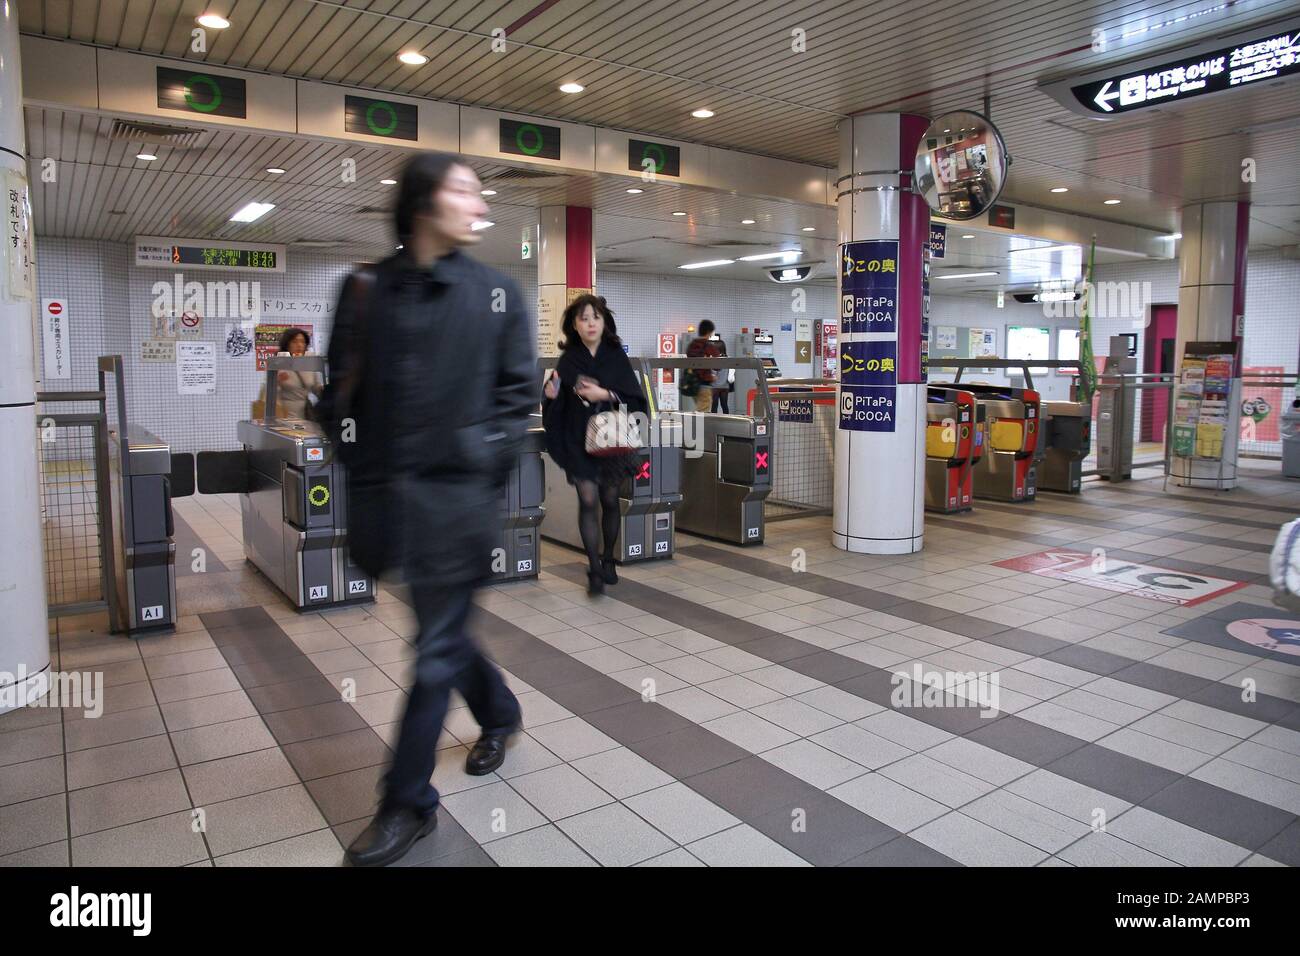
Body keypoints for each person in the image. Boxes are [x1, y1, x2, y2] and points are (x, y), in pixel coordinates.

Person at [317, 152, 535, 867]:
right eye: (463, 189)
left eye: (480, 191)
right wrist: (365, 470)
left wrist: (478, 462)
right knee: (442, 636)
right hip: (389, 506)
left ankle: (406, 802)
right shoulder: (364, 289)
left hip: (458, 504)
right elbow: (337, 400)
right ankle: (500, 712)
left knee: (435, 649)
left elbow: (515, 398)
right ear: (422, 202)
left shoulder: (498, 295)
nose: (478, 202)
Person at [542, 294, 648, 595]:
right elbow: (555, 399)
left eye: (595, 317)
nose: (590, 323)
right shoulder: (569, 359)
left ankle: (608, 557)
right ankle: (594, 568)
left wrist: (606, 395)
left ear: (604, 322)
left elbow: (635, 397)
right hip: (578, 439)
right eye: (584, 318)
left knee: (610, 500)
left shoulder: (615, 356)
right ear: (574, 325)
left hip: (611, 440)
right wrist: (550, 396)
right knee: (587, 499)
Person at [270, 327, 322, 420]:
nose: (299, 345)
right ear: (287, 344)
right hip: (286, 415)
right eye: (294, 342)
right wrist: (277, 382)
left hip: (306, 414)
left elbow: (315, 387)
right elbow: (270, 392)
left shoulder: (309, 361)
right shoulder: (278, 363)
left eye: (302, 342)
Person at [686, 320, 721, 412]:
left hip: (692, 384)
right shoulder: (708, 346)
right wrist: (711, 377)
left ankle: (696, 425)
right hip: (704, 384)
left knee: (700, 409)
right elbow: (718, 365)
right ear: (709, 332)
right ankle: (697, 426)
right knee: (703, 412)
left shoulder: (692, 345)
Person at [710, 335, 732, 415]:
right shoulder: (728, 358)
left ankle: (713, 421)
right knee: (725, 405)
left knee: (714, 406)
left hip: (715, 386)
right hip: (725, 386)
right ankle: (727, 420)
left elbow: (713, 373)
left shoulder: (714, 360)